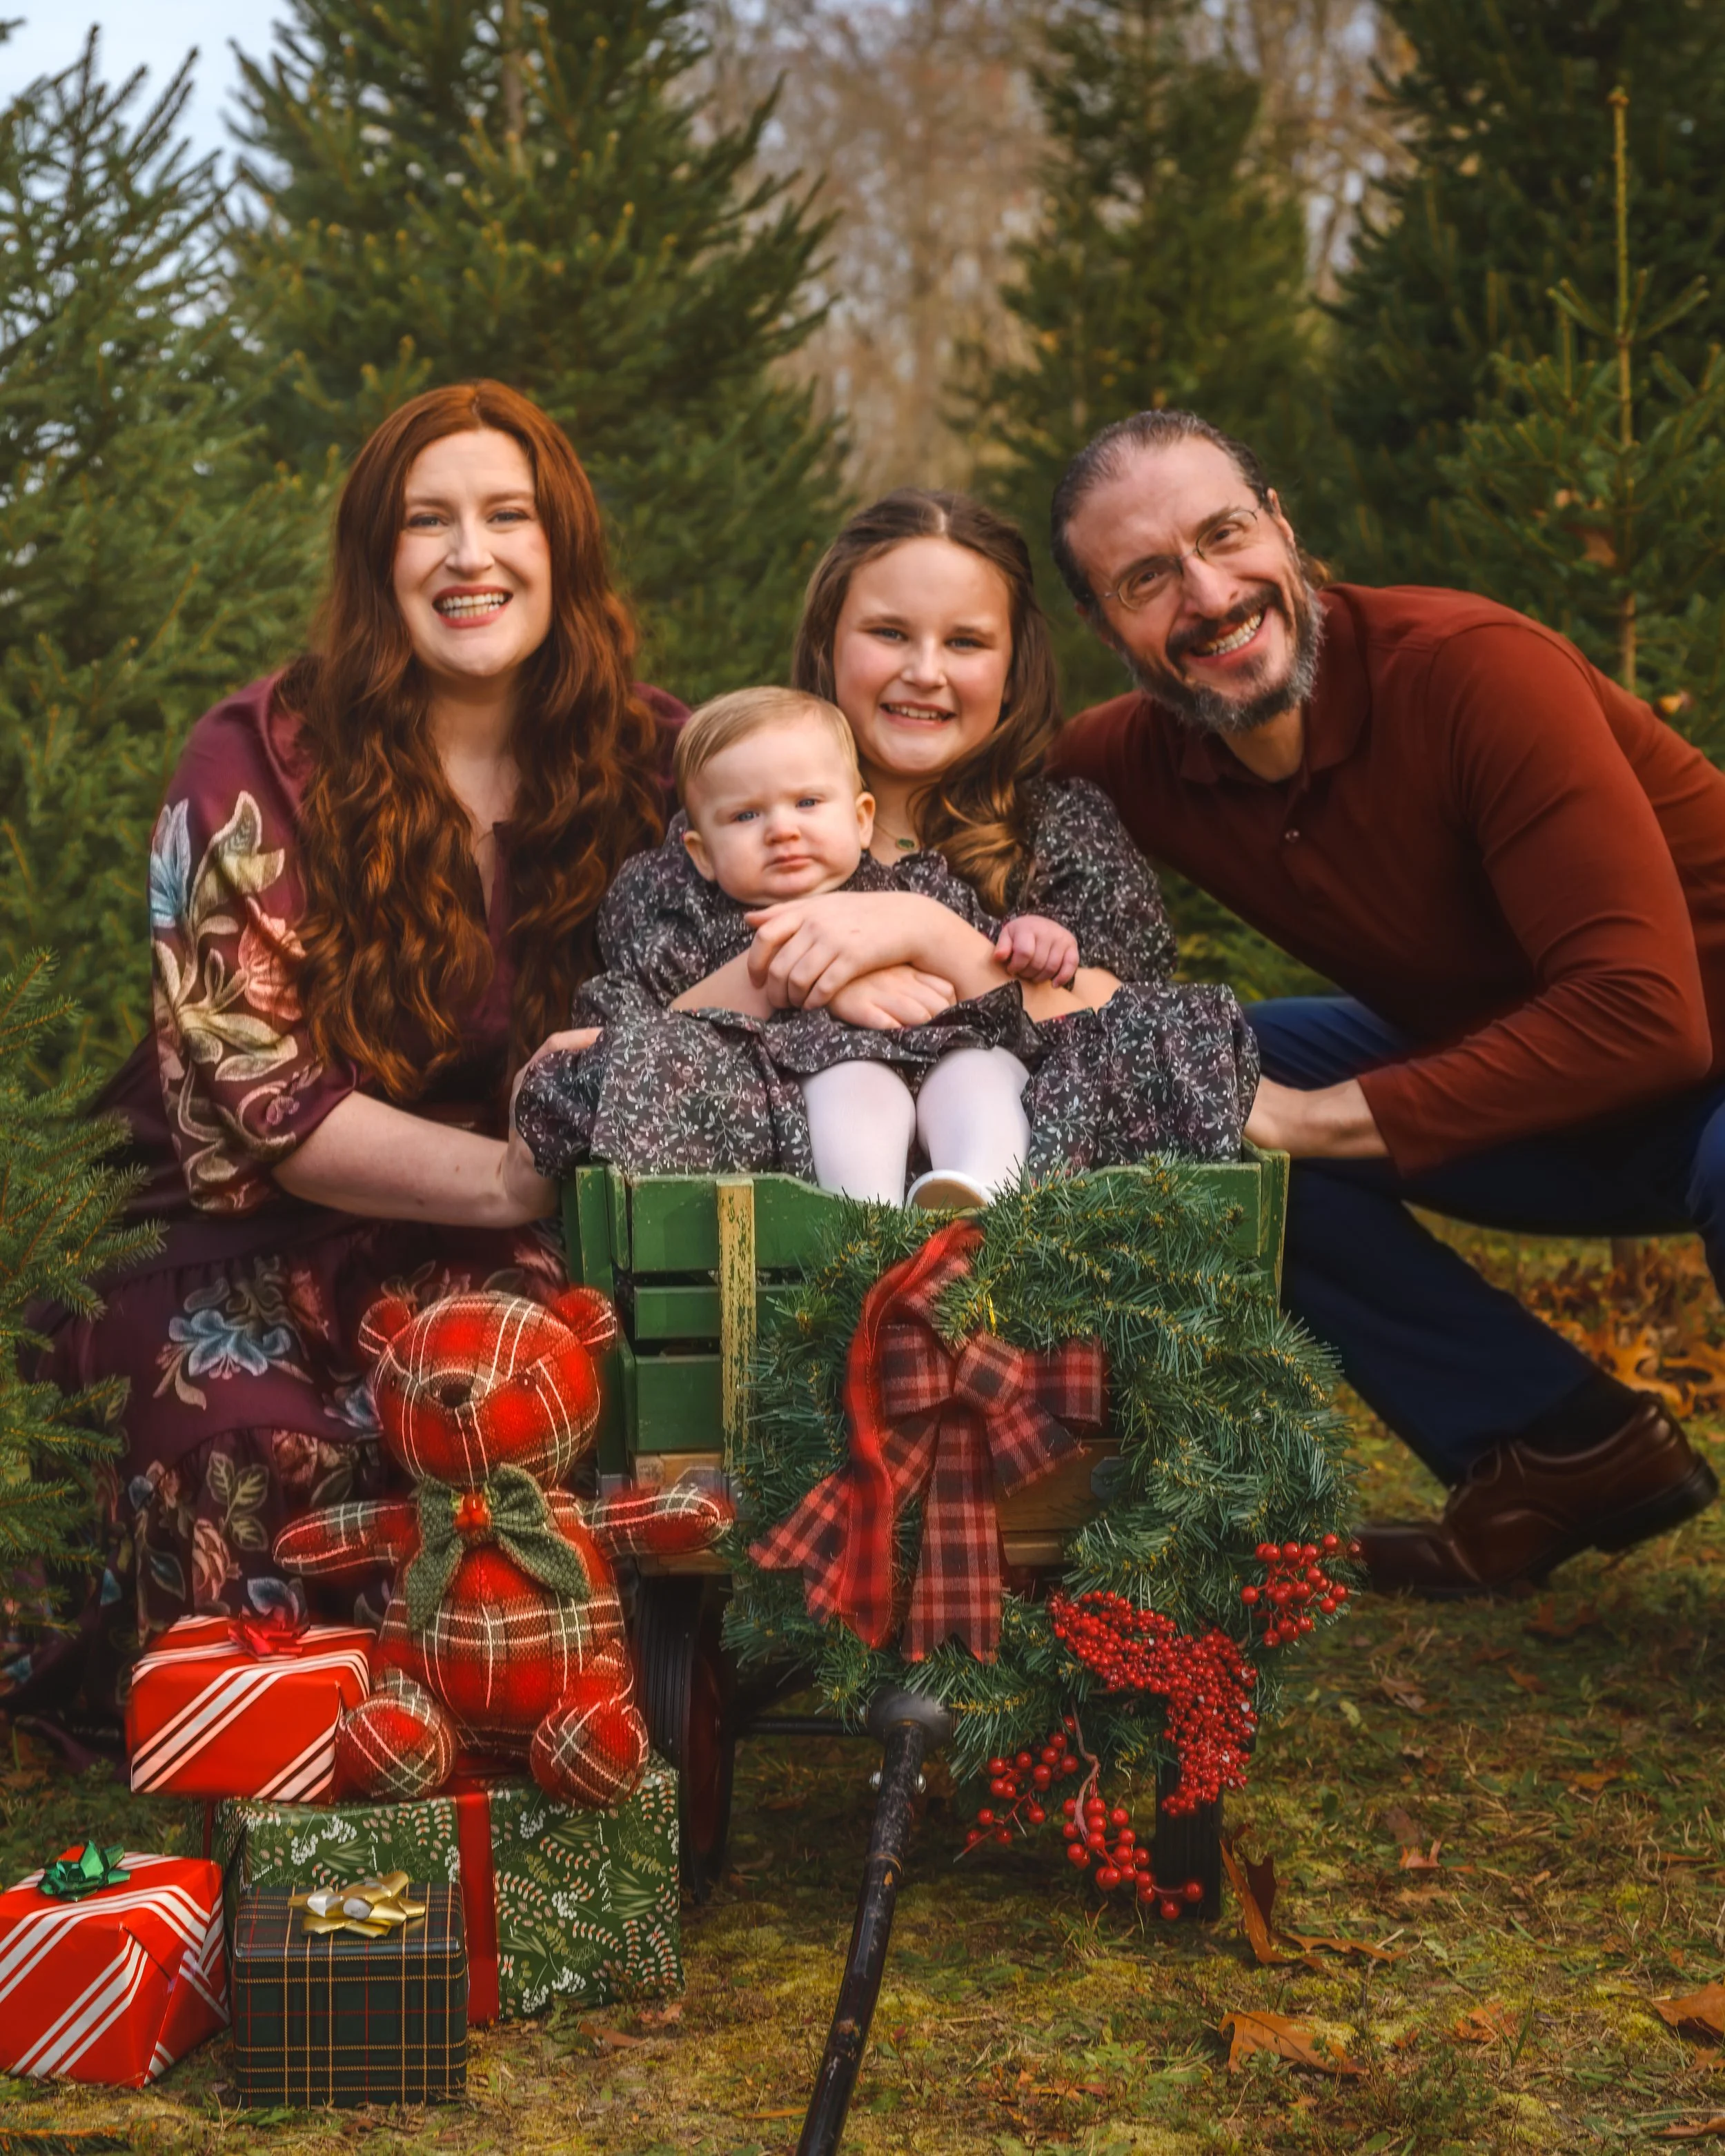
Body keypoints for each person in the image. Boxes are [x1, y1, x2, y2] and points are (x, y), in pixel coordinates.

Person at [31, 380, 680, 1696]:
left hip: (509, 1230)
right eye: (425, 522)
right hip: (237, 1231)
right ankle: (272, 1754)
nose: (469, 555)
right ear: (376, 561)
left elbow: (760, 958)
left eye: (509, 515)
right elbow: (259, 1091)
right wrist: (510, 1171)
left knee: (508, 1436)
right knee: (263, 1465)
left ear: (564, 547)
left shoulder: (653, 758)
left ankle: (519, 1743)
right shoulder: (261, 757)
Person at [1045, 405, 1725, 1599]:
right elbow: (928, 806)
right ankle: (1557, 1446)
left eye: (1225, 535)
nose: (1208, 595)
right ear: (1108, 626)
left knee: (1266, 1099)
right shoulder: (1131, 761)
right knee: (1193, 1077)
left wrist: (1308, 1122)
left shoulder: (1470, 672)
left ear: (1286, 533)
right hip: (1555, 1096)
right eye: (1150, 577)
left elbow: (1643, 1015)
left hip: (1684, 1050)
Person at [515, 491, 1259, 1191]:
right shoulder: (728, 833)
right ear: (827, 641)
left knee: (1141, 1046)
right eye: (889, 633)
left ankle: (968, 1202)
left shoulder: (1058, 833)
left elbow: (1136, 1031)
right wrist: (809, 978)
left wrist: (927, 933)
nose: (924, 672)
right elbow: (630, 1048)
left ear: (1010, 669)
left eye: (965, 641)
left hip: (1023, 1230)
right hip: (770, 1239)